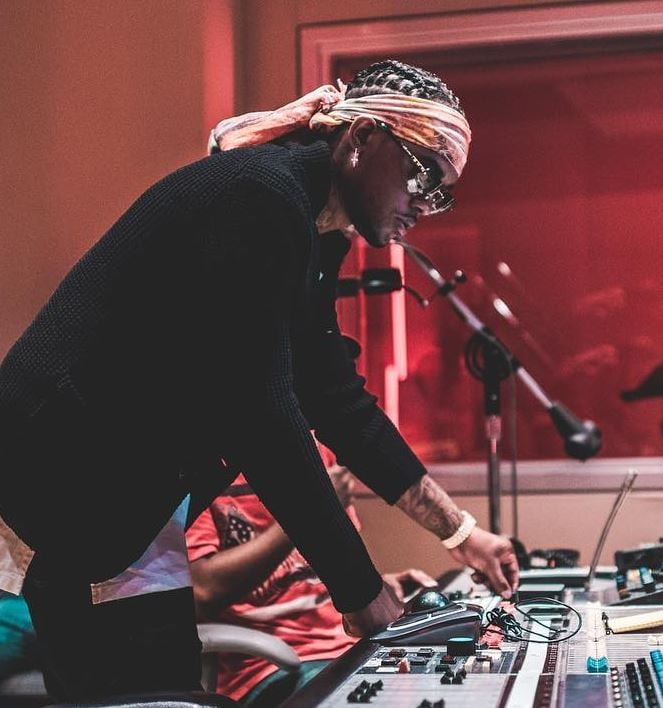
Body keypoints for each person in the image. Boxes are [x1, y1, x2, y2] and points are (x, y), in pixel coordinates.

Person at [0, 59, 519, 701]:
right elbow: (260, 414)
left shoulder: (312, 226)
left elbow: (333, 398)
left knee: (166, 689)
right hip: (66, 485)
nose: (424, 203)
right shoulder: (260, 198)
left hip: (135, 496)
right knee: (136, 696)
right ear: (360, 140)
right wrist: (359, 591)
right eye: (421, 174)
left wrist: (461, 533)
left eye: (441, 192)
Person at [186, 465, 436, 706]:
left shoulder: (317, 450)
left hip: (354, 645)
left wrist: (375, 586)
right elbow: (204, 592)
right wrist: (309, 510)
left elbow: (338, 556)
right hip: (273, 665)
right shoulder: (202, 465)